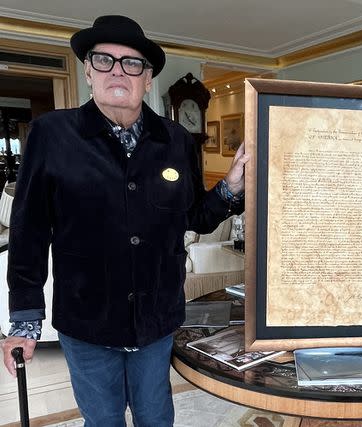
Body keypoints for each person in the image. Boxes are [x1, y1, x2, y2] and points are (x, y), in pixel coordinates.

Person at [0, 15, 248, 426]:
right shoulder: (52, 135)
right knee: (103, 421)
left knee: (155, 417)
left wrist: (230, 188)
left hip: (156, 318)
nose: (118, 71)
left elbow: (193, 217)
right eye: (105, 61)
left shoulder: (176, 141)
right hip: (86, 322)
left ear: (147, 78)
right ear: (88, 70)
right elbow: (28, 230)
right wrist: (25, 322)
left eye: (132, 63)